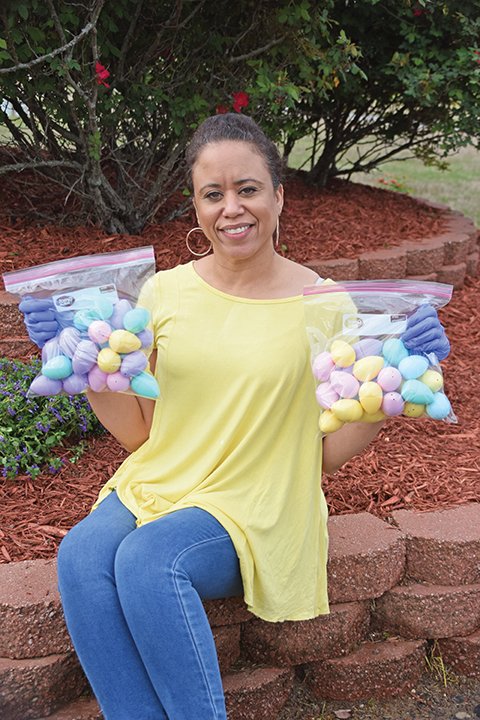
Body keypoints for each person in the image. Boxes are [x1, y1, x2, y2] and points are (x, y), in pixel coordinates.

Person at [18, 113, 450, 720]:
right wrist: (79, 365)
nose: (231, 209)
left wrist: (397, 385)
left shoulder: (324, 306)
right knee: (82, 558)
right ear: (195, 206)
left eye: (246, 189)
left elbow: (325, 452)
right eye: (212, 194)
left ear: (278, 196)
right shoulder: (163, 293)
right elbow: (139, 433)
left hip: (258, 499)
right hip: (162, 481)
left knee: (149, 562)